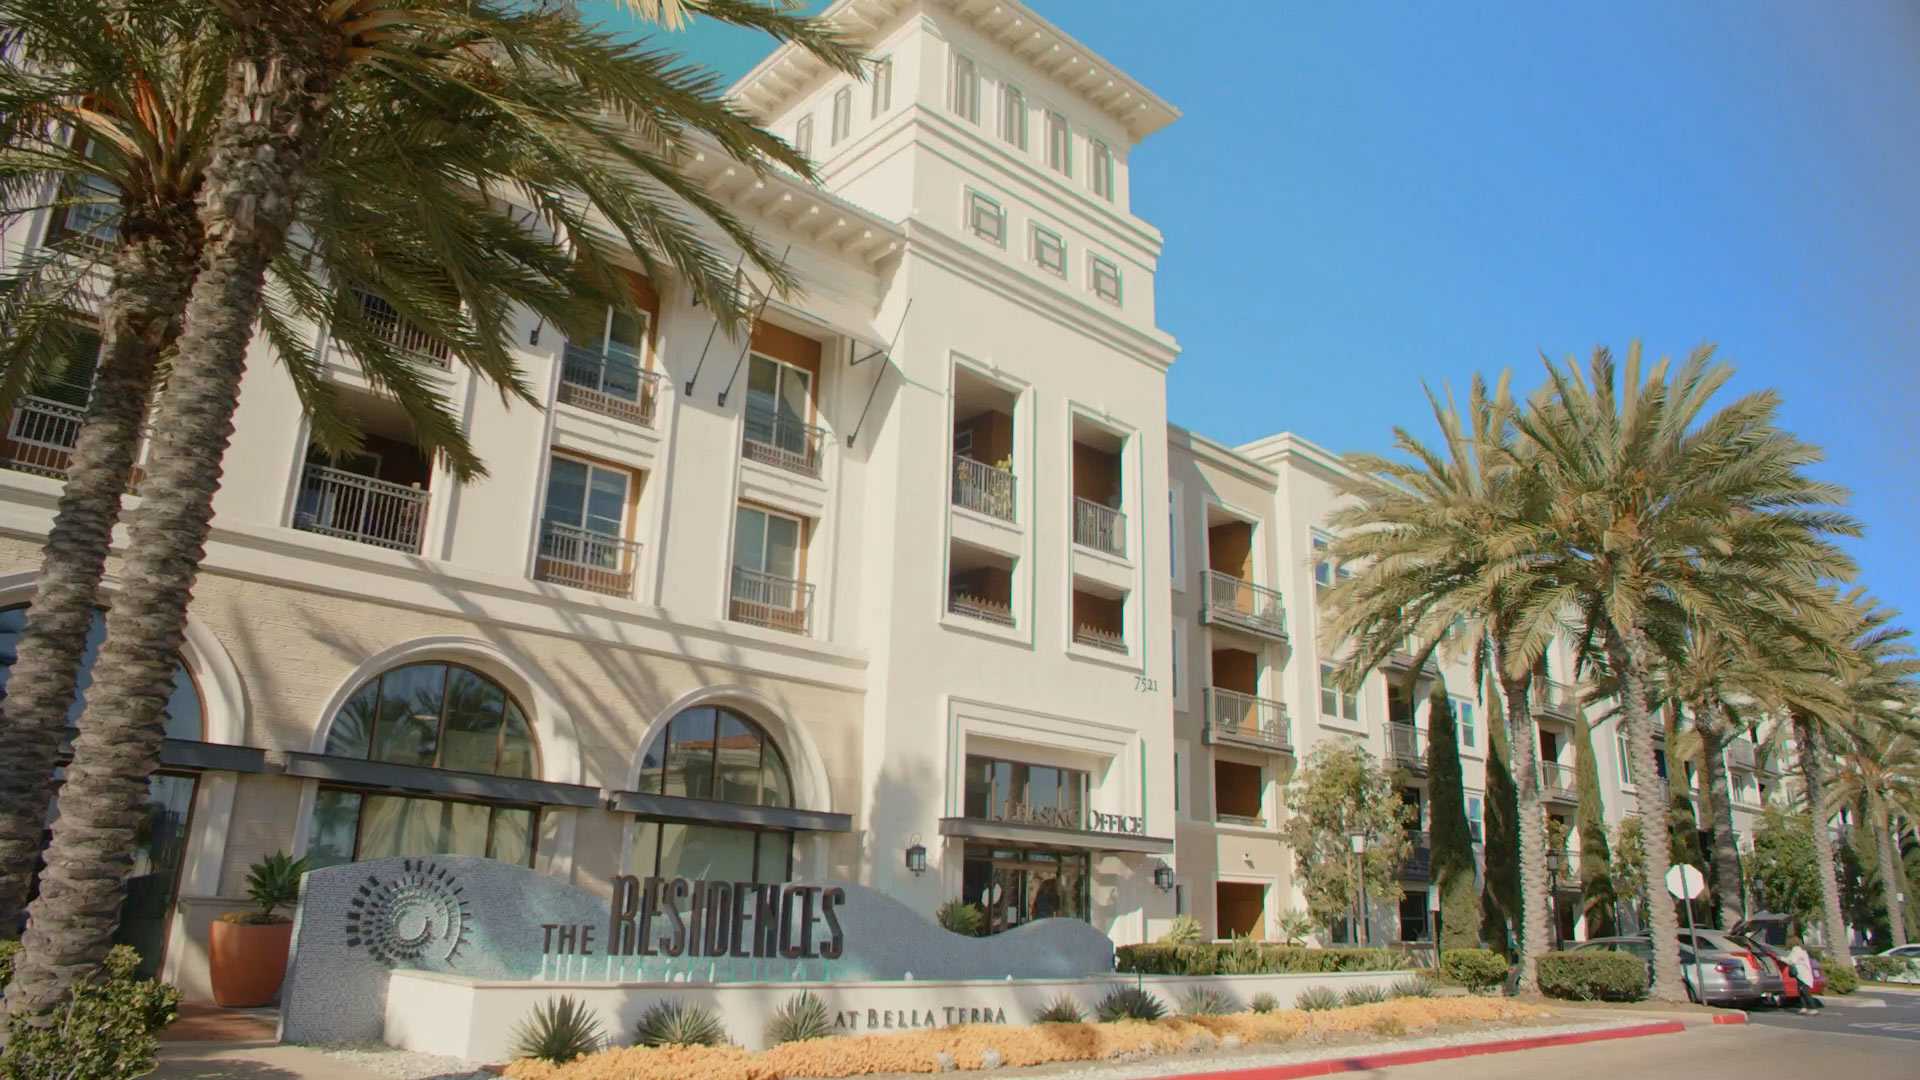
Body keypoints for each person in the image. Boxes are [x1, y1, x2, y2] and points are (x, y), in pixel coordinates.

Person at [1786, 936, 1817, 1013]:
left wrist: (1781, 958)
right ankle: (1804, 1007)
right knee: (1801, 991)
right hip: (1804, 973)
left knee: (1804, 991)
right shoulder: (1802, 950)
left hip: (1802, 974)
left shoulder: (1795, 950)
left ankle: (1813, 1008)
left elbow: (1791, 961)